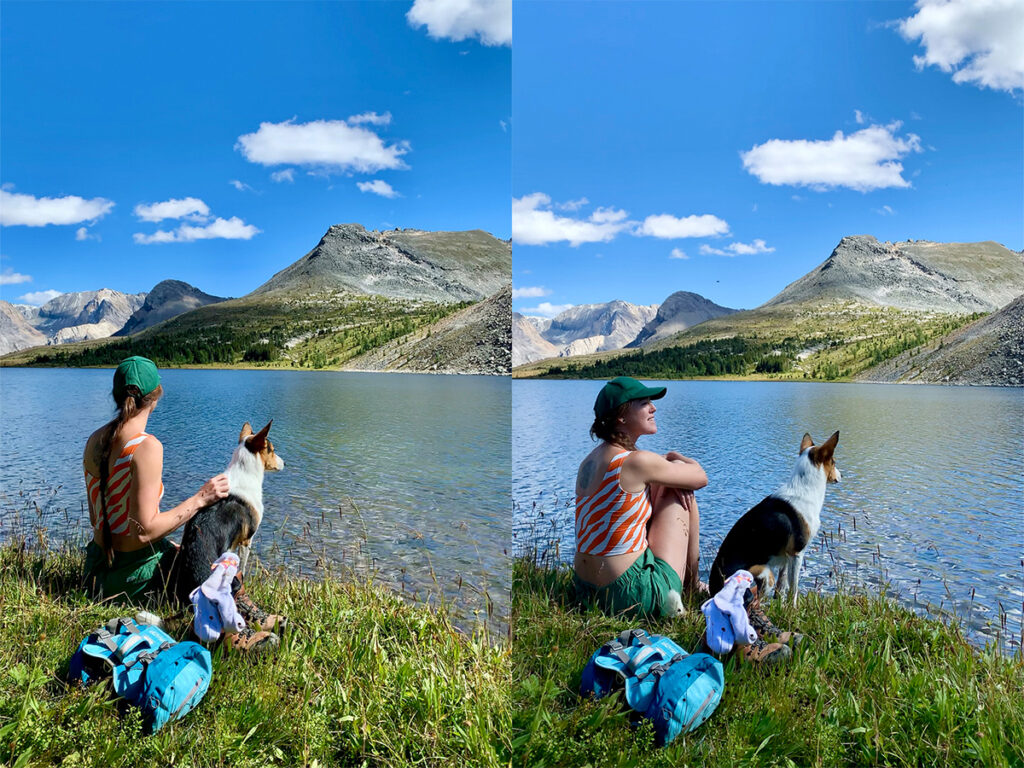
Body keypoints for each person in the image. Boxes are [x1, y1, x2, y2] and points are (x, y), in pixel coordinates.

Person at [574, 376, 790, 665]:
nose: (653, 408)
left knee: (666, 483)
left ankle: (691, 584)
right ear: (622, 416)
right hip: (630, 594)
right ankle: (690, 587)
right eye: (644, 403)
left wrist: (662, 474)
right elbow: (700, 477)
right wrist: (678, 459)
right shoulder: (637, 462)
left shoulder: (591, 461)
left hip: (587, 590)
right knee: (680, 487)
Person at [82, 355, 279, 651]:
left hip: (97, 568)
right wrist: (201, 499)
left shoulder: (94, 440)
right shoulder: (146, 447)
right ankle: (231, 634)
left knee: (184, 550)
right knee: (214, 561)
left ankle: (244, 611)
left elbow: (102, 518)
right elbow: (144, 531)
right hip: (131, 578)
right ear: (156, 397)